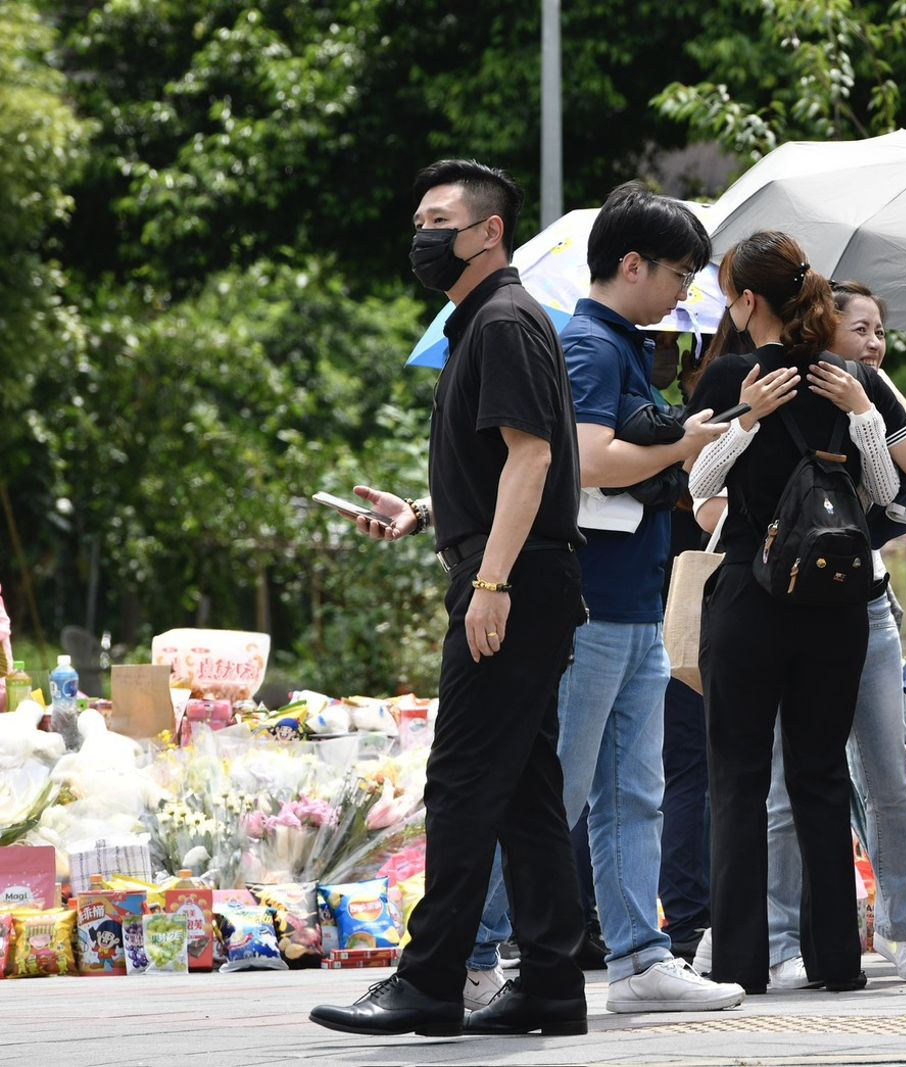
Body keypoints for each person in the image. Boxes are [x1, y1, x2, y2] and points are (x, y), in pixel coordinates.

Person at [310, 159, 591, 1037]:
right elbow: (498, 464)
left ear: (489, 231)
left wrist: (491, 581)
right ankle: (552, 983)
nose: (423, 237)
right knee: (525, 788)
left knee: (463, 778)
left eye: (440, 221)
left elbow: (533, 458)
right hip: (519, 572)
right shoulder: (484, 323)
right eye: (420, 222)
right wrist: (427, 512)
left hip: (514, 579)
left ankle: (431, 979)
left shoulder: (502, 320)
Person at [685, 231, 906, 994]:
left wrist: (746, 420)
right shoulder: (850, 378)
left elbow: (698, 487)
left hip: (749, 596)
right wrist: (862, 416)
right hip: (836, 602)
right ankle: (837, 962)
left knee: (739, 780)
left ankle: (742, 963)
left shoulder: (733, 376)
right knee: (821, 776)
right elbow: (888, 496)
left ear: (746, 300)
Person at [554, 181, 744, 1014]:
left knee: (635, 793)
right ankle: (478, 951)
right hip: (591, 604)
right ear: (632, 264)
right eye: (678, 274)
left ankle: (638, 958)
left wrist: (678, 442)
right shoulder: (590, 346)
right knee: (558, 792)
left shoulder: (624, 345)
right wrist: (685, 441)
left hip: (633, 602)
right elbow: (589, 460)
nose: (684, 293)